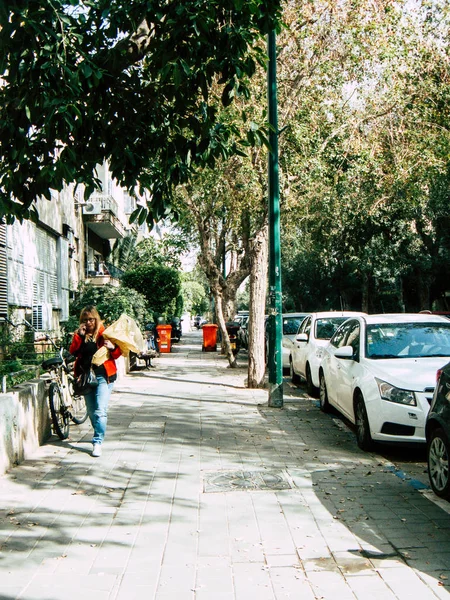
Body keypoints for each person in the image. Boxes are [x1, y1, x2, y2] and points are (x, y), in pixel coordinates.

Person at [69, 305, 122, 457]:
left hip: (103, 376)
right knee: (92, 412)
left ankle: (97, 441)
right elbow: (73, 352)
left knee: (100, 410)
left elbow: (117, 354)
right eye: (85, 320)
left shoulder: (104, 333)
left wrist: (112, 347)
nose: (88, 323)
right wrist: (79, 336)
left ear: (96, 319)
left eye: (91, 319)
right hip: (86, 377)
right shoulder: (79, 334)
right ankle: (99, 429)